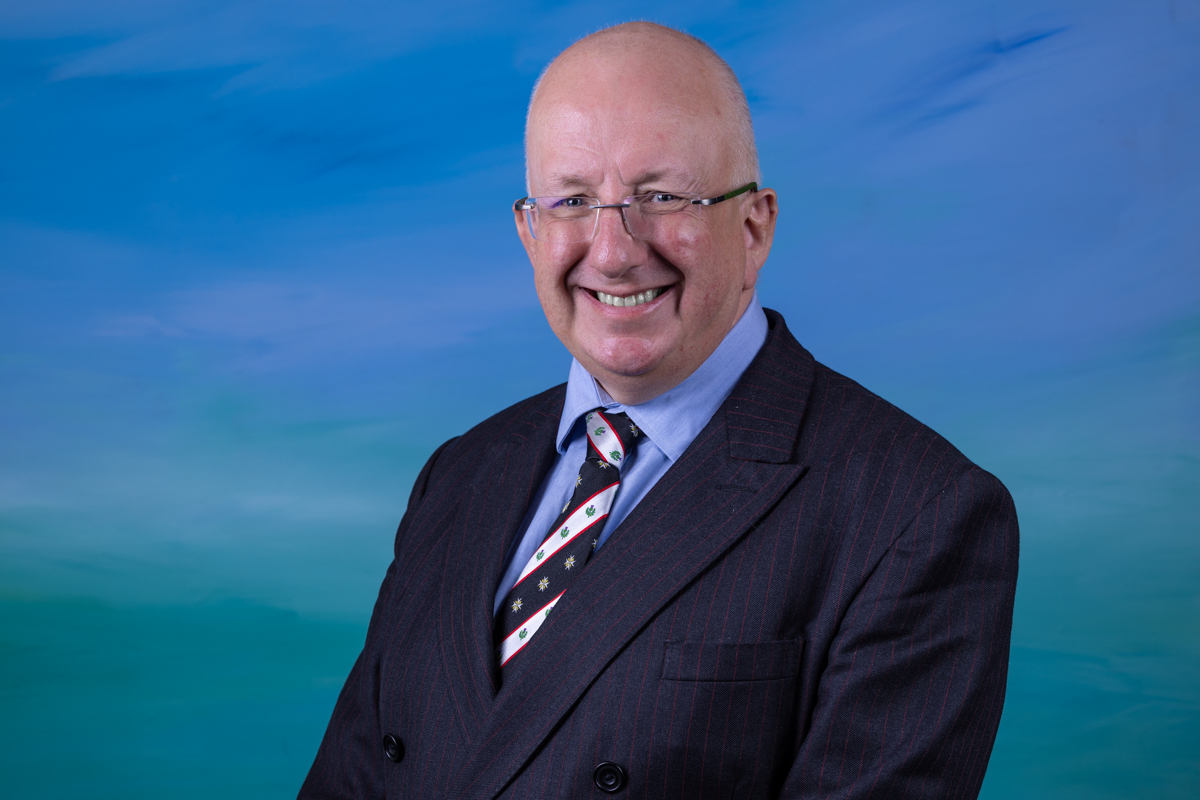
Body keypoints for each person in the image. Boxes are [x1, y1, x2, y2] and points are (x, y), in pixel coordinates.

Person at [299, 21, 1018, 800]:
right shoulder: (459, 474)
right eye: (573, 200)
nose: (613, 250)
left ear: (755, 227)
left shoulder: (918, 512)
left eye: (661, 196)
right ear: (529, 230)